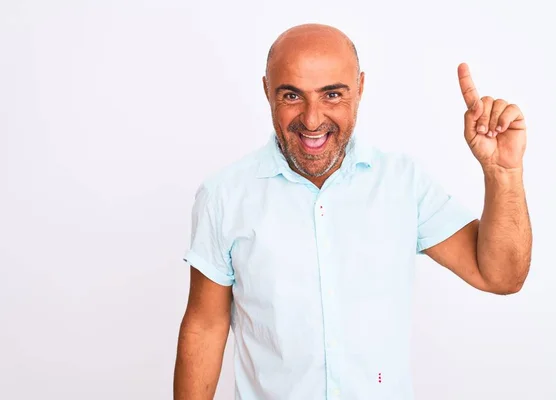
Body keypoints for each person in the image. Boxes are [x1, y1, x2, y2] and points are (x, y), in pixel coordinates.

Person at [173, 23, 532, 400]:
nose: (312, 121)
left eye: (332, 95)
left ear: (360, 88)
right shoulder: (225, 196)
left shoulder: (403, 183)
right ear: (267, 91)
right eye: (292, 95)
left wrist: (503, 172)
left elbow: (501, 276)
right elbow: (205, 326)